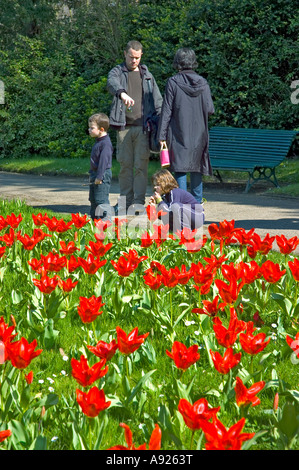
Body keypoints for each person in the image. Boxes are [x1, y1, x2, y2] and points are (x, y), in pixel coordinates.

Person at [107, 40, 163, 215]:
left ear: (141, 56)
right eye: (131, 57)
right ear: (125, 54)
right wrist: (122, 93)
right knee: (125, 166)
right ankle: (124, 202)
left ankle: (138, 203)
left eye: (137, 58)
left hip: (143, 129)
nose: (134, 61)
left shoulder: (147, 76)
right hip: (123, 128)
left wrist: (162, 127)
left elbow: (158, 102)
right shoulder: (118, 71)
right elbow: (111, 82)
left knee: (141, 167)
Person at [158, 48, 214, 204]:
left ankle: (180, 205)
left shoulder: (173, 82)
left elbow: (167, 110)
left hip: (178, 132)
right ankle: (197, 205)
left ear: (177, 62)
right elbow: (210, 109)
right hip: (199, 133)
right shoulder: (203, 82)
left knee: (180, 169)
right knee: (197, 168)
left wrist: (161, 136)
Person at [88, 113, 113, 221]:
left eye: (92, 128)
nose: (89, 130)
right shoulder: (98, 142)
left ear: (101, 129)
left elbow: (104, 162)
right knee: (93, 199)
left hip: (102, 174)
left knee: (101, 200)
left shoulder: (106, 143)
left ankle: (106, 222)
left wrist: (99, 177)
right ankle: (95, 221)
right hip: (95, 174)